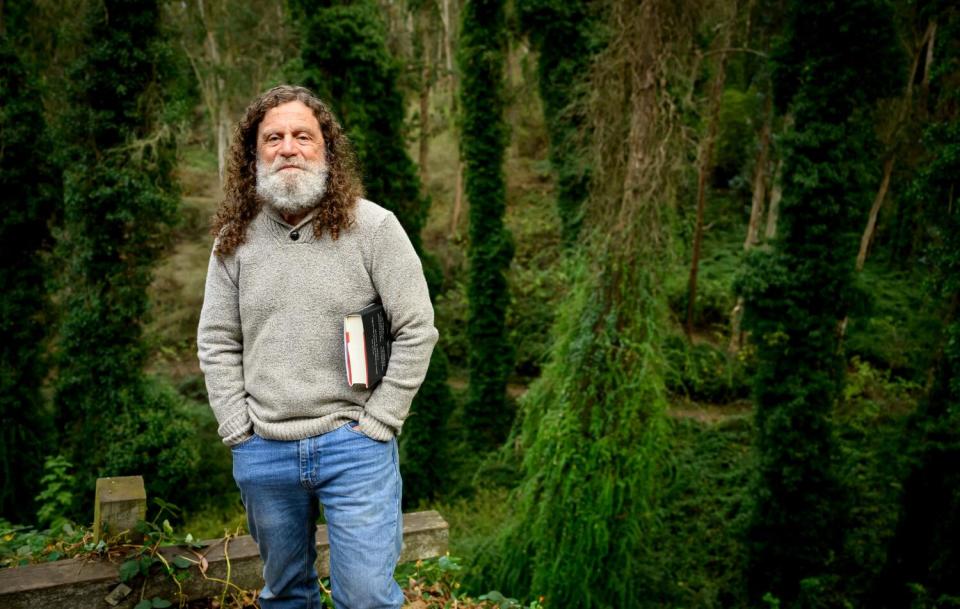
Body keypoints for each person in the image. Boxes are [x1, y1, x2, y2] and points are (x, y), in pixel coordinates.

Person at [197, 85, 438, 609]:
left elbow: (417, 328)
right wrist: (238, 430)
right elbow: (216, 341)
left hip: (355, 448)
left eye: (303, 136)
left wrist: (380, 422)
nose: (288, 148)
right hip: (265, 450)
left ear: (326, 150)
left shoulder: (374, 228)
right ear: (253, 153)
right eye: (273, 137)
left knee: (368, 598)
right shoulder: (233, 240)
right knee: (285, 596)